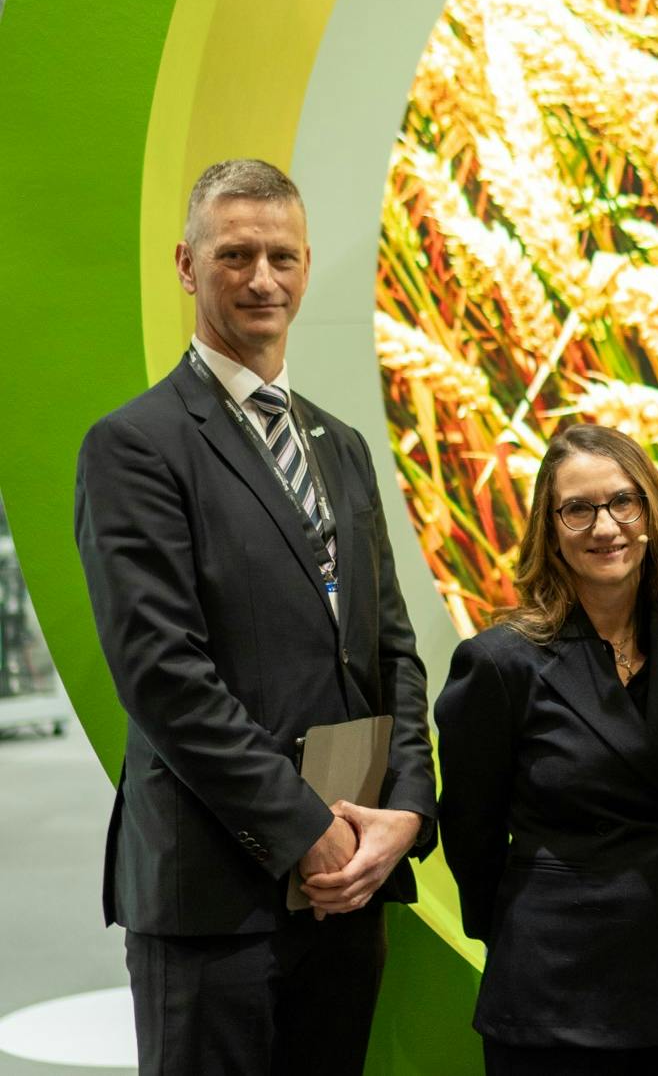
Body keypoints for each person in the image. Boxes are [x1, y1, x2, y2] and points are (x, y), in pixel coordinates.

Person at [74, 159, 435, 1076]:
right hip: (215, 898)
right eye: (236, 254)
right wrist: (307, 826)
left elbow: (393, 646)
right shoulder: (135, 446)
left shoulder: (341, 445)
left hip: (346, 887)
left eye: (282, 254)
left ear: (309, 266)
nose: (263, 278)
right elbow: (164, 676)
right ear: (188, 266)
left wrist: (403, 811)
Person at [435, 424, 658, 1075]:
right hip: (554, 990)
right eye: (579, 508)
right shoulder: (500, 664)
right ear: (550, 525)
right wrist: (522, 933)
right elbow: (470, 829)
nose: (606, 526)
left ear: (652, 510)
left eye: (623, 501)